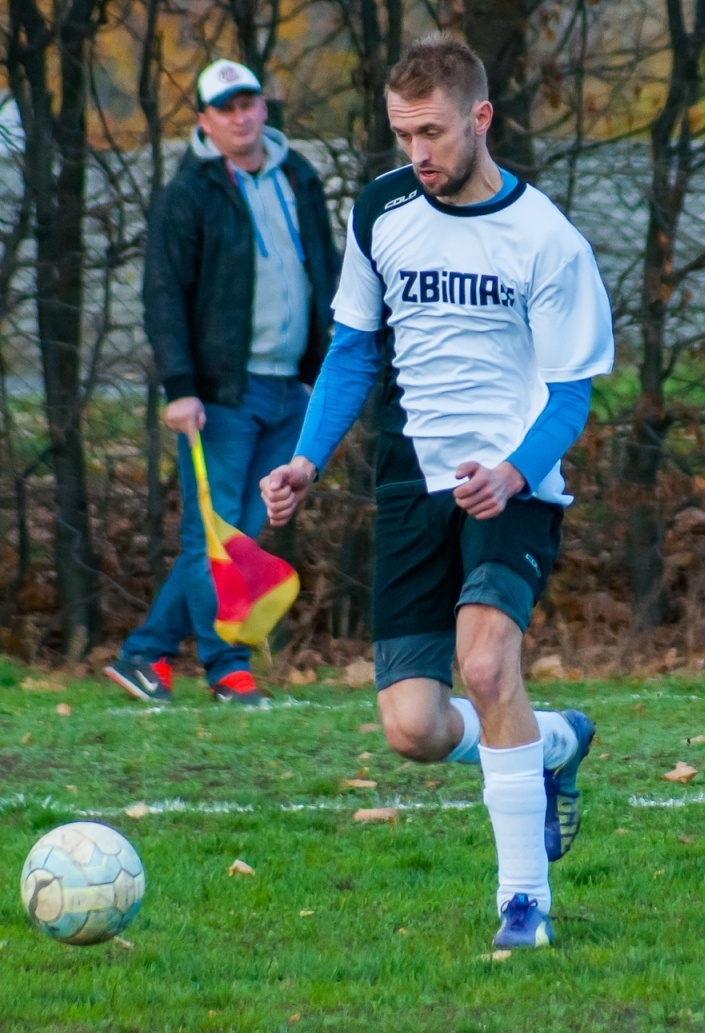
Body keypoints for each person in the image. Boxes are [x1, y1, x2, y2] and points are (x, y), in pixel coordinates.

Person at [260, 34, 613, 949]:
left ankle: (523, 905)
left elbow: (571, 392)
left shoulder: (546, 240)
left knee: (489, 669)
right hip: (410, 485)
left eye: (434, 132)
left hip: (512, 485)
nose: (418, 153)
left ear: (481, 119)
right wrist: (306, 459)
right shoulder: (380, 210)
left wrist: (515, 471)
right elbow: (352, 349)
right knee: (413, 728)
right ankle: (555, 746)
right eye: (402, 133)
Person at [107, 59, 340, 707]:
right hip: (219, 396)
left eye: (249, 103)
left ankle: (144, 653)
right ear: (205, 121)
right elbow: (164, 296)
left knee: (239, 534)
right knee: (213, 538)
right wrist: (179, 387)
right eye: (225, 107)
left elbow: (327, 267)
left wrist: (335, 365)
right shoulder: (190, 193)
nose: (241, 116)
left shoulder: (300, 178)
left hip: (292, 390)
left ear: (264, 108)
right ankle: (225, 667)